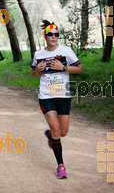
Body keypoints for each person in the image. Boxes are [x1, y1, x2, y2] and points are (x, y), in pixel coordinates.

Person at [31, 20, 83, 179]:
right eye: (50, 34)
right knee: (56, 130)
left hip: (63, 96)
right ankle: (61, 166)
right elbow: (33, 73)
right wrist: (37, 70)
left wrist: (64, 68)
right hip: (46, 96)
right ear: (45, 36)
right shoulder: (38, 55)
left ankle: (50, 136)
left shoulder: (66, 51)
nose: (53, 37)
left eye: (56, 34)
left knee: (63, 132)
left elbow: (79, 69)